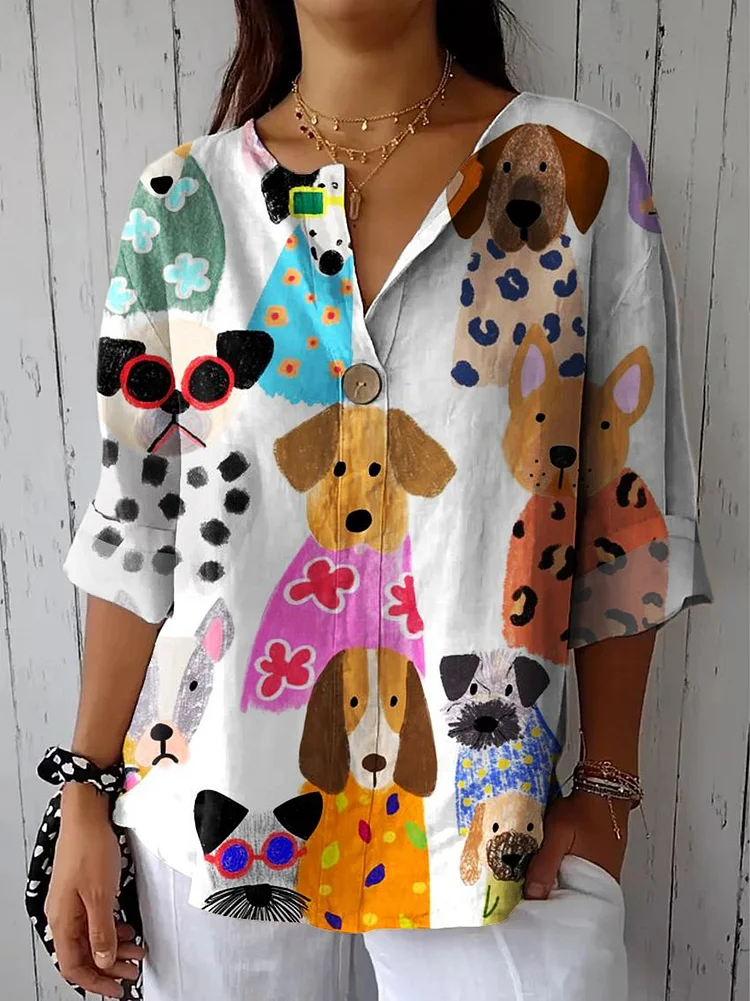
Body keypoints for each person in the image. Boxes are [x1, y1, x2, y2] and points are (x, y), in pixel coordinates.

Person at [35, 1, 711, 999]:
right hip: (219, 821)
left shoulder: (577, 173)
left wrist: (607, 788)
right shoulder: (185, 204)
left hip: (496, 825)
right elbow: (138, 522)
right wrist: (86, 795)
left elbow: (625, 514)